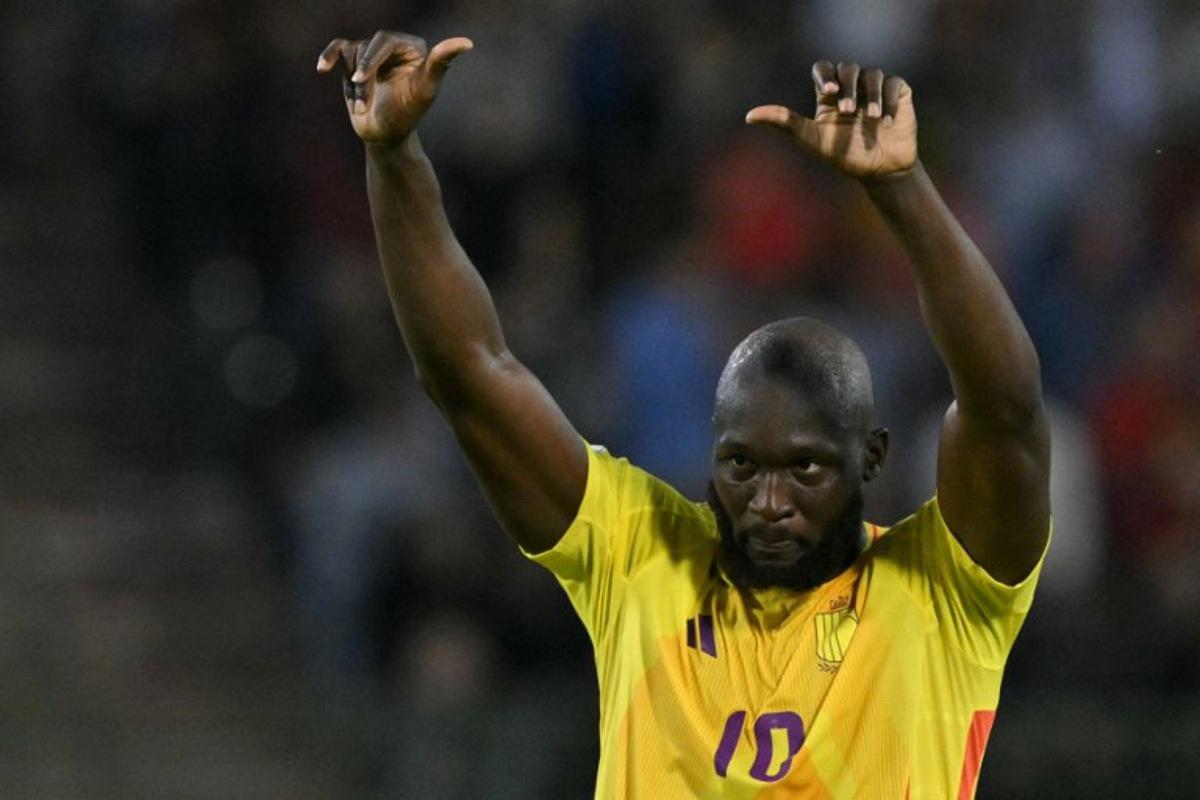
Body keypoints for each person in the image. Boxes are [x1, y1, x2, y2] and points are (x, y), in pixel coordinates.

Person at [317, 29, 1051, 798]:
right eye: (742, 465)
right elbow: (469, 374)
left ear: (869, 458)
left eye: (804, 467)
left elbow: (1005, 410)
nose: (769, 502)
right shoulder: (644, 558)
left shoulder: (942, 595)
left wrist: (903, 192)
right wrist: (395, 159)